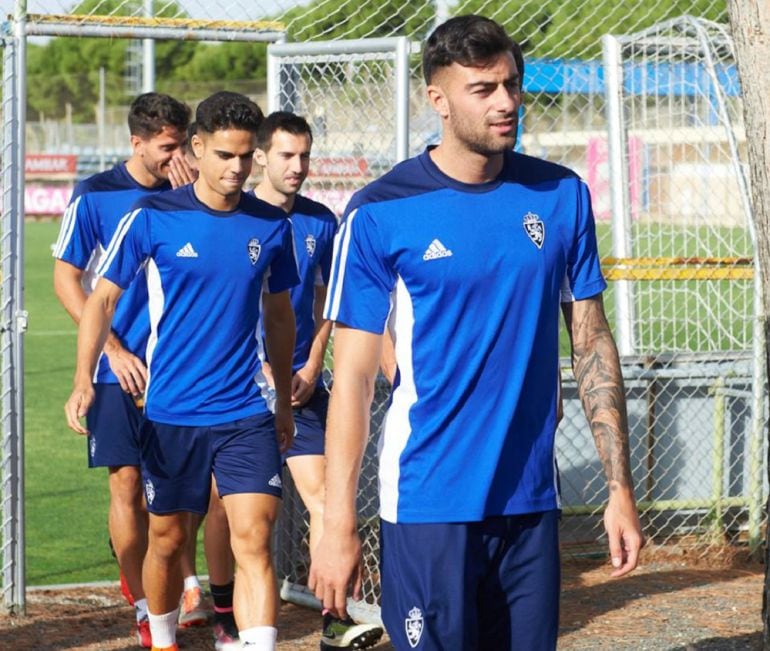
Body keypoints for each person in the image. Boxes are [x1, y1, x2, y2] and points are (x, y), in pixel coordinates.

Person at [309, 14, 645, 651]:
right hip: (429, 501)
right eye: (483, 89)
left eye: (512, 85)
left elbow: (593, 342)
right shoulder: (379, 211)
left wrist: (619, 490)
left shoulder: (561, 195)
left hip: (529, 500)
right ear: (437, 99)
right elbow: (350, 380)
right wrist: (336, 523)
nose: (506, 103)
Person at [64, 91, 299, 651]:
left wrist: (284, 400)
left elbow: (280, 315)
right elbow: (100, 300)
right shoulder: (153, 218)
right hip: (172, 412)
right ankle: (162, 638)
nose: (237, 168)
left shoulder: (271, 226)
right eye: (224, 155)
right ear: (197, 148)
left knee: (254, 538)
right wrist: (83, 380)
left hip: (246, 411)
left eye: (246, 156)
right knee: (167, 540)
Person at [53, 91, 191, 648]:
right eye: (166, 147)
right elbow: (68, 281)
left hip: (184, 371)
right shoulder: (97, 195)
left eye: (184, 144)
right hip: (119, 373)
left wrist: (189, 197)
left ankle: (183, 585)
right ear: (136, 143)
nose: (176, 155)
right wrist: (109, 348)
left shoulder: (195, 195)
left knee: (186, 494)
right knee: (128, 486)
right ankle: (142, 603)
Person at [252, 111, 384, 650]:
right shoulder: (235, 216)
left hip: (301, 386)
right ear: (260, 156)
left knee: (325, 497)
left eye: (304, 155)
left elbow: (333, 300)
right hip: (232, 388)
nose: (298, 167)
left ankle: (336, 617)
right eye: (286, 155)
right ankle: (216, 611)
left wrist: (309, 363)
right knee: (233, 517)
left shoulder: (320, 222)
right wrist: (258, 364)